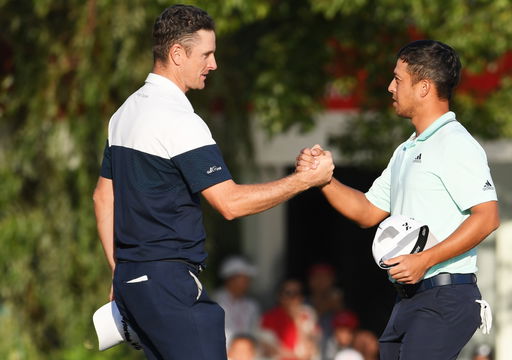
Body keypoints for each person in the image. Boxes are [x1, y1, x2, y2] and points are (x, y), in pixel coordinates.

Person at [92, 5, 333, 360]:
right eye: (206, 54)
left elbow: (102, 198)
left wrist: (121, 270)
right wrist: (303, 180)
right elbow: (230, 203)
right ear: (177, 53)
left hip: (133, 282)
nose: (213, 64)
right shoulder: (179, 120)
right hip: (169, 284)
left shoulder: (124, 113)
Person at [297, 40, 499, 360]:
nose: (390, 87)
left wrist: (424, 260)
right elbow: (367, 211)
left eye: (398, 79)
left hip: (445, 297)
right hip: (409, 300)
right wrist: (323, 180)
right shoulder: (407, 149)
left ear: (423, 88)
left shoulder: (456, 143)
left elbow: (487, 217)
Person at [260, 279, 321, 360]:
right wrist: (296, 356)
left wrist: (297, 320)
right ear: (280, 296)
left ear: (302, 297)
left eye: (296, 293)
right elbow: (269, 349)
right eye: (288, 293)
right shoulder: (268, 317)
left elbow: (308, 348)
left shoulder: (307, 314)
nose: (292, 297)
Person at [214, 256, 261, 345]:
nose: (247, 283)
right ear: (231, 280)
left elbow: (255, 331)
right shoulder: (215, 301)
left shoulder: (251, 305)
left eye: (248, 279)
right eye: (244, 279)